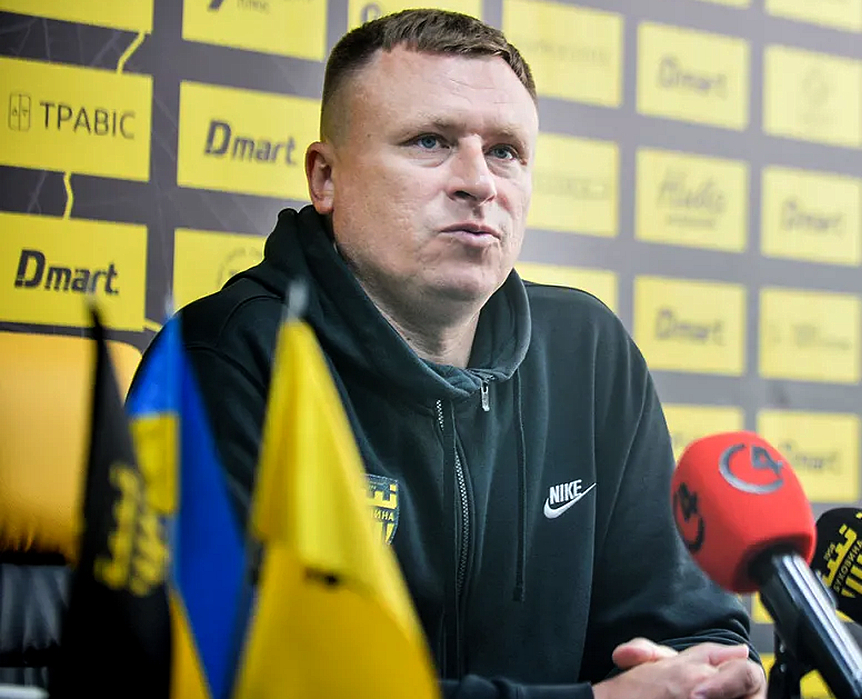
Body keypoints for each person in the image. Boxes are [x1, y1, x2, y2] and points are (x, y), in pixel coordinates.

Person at [146, 9, 765, 699]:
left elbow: (688, 626)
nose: (479, 182)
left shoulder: (589, 353)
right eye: (430, 141)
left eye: (505, 151)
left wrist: (701, 674)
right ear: (326, 177)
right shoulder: (221, 360)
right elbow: (244, 679)